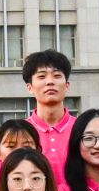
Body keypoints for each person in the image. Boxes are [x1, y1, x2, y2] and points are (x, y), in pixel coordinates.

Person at [21, 49, 77, 178]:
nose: (50, 82)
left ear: (67, 85)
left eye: (57, 76)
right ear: (30, 87)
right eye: (41, 76)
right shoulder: (21, 132)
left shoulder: (82, 129)